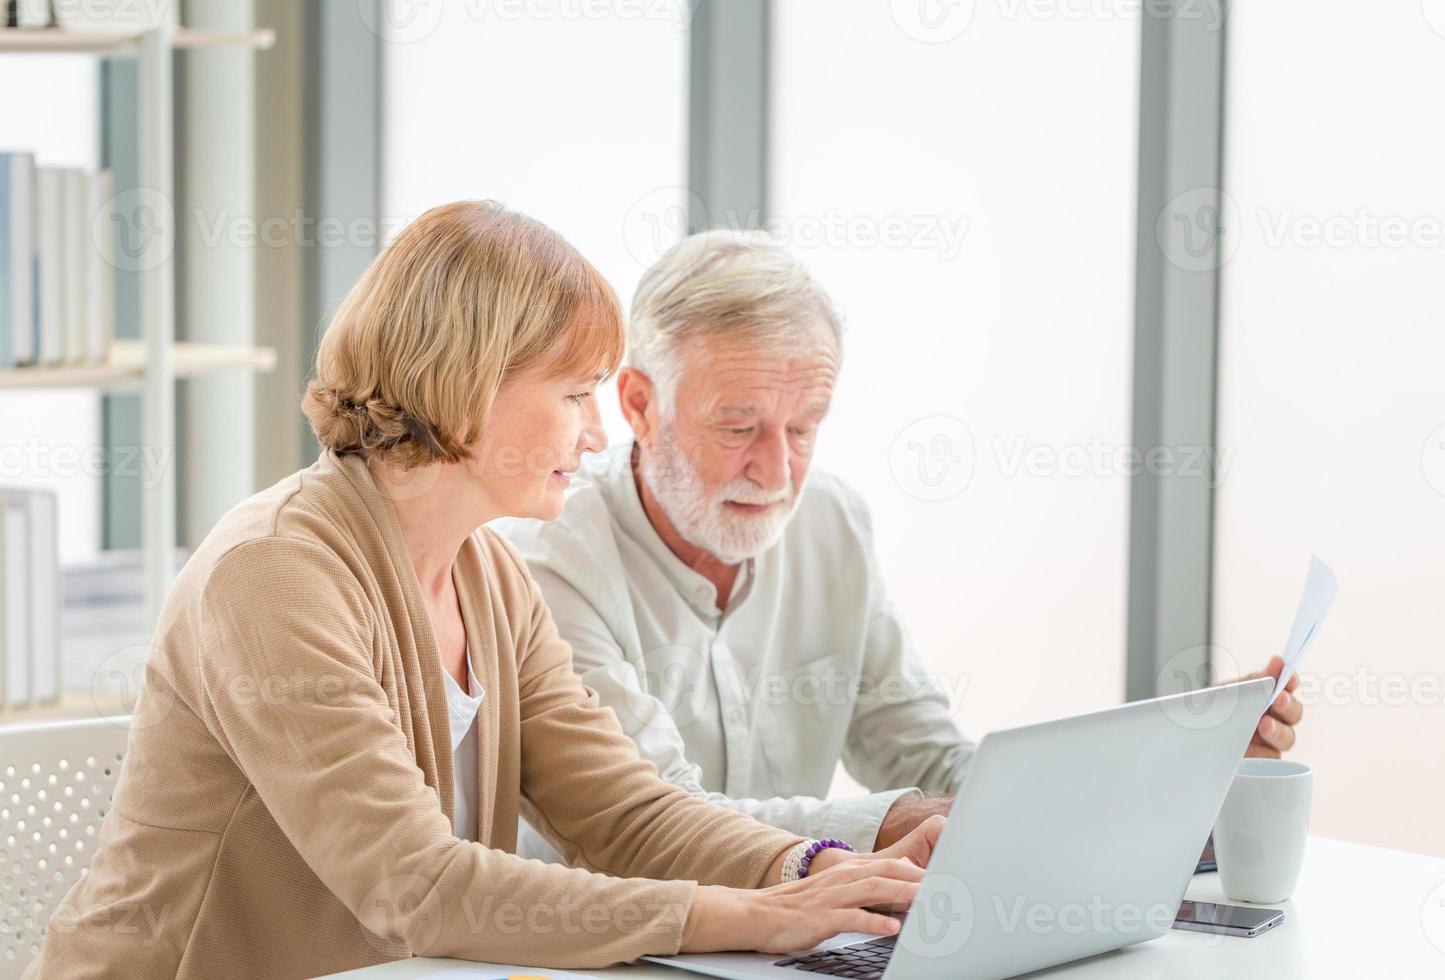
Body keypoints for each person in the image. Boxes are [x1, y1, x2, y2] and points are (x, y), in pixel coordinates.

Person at [21, 204, 942, 980]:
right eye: (576, 394)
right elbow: (413, 884)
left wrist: (814, 870)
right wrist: (747, 917)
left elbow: (619, 811)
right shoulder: (272, 574)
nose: (593, 436)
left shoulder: (486, 574)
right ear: (467, 387)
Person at [496, 230, 1305, 863]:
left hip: (792, 941)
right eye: (738, 427)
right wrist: (898, 825)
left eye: (804, 428)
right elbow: (650, 816)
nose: (776, 471)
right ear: (639, 404)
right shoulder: (548, 553)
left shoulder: (831, 523)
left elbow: (924, 754)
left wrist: (1164, 770)